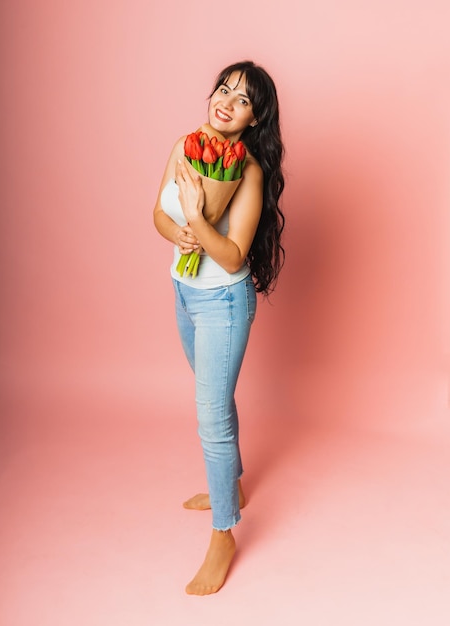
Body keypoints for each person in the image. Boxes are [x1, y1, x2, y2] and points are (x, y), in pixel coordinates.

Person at [153, 60, 285, 595]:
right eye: (224, 89)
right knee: (217, 400)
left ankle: (224, 532)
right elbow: (157, 214)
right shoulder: (185, 145)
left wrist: (199, 221)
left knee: (211, 416)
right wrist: (179, 233)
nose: (227, 100)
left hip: (223, 304)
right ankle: (229, 484)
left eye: (243, 99)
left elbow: (232, 259)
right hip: (184, 292)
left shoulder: (248, 170)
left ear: (255, 119)